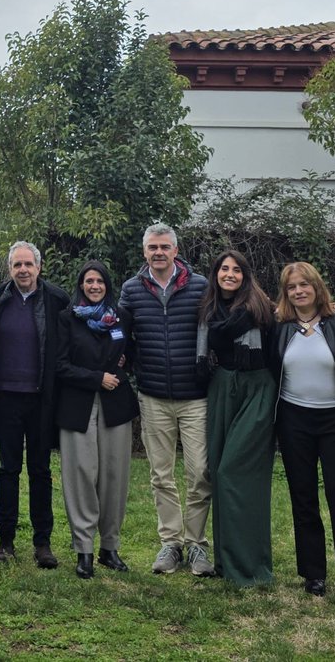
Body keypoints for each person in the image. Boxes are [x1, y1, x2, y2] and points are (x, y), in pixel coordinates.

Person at [270, 262, 335, 604]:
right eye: (291, 287)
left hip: (334, 422)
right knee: (303, 497)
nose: (299, 291)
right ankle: (313, 574)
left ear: (316, 287)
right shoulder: (279, 326)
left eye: (304, 285)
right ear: (285, 293)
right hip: (293, 419)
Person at [118, 223, 214, 577]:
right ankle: (171, 542)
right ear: (144, 252)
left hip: (195, 396)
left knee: (200, 473)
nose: (158, 253)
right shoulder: (131, 289)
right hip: (153, 394)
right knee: (161, 474)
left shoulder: (201, 285)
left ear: (175, 250)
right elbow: (120, 336)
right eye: (152, 247)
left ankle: (198, 545)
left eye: (164, 247)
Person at [55, 260, 138, 579]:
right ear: (80, 285)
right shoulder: (68, 319)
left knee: (114, 478)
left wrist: (123, 362)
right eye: (88, 281)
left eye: (99, 281)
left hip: (115, 405)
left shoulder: (122, 318)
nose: (94, 286)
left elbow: (132, 354)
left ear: (107, 285)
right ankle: (84, 550)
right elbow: (59, 365)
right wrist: (96, 377)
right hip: (78, 406)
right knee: (81, 476)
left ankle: (109, 548)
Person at [0, 241, 70, 568]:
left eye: (28, 264)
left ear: (39, 267)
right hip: (6, 397)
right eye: (17, 265)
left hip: (41, 399)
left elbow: (71, 343)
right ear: (10, 269)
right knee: (8, 469)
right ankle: (5, 540)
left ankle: (42, 543)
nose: (23, 270)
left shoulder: (56, 299)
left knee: (40, 471)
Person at [200, 249, 277, 586]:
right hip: (221, 386)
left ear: (246, 275)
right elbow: (213, 341)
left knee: (236, 472)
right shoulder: (209, 310)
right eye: (223, 269)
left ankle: (250, 568)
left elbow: (298, 319)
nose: (229, 274)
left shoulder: (263, 308)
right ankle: (226, 563)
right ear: (216, 274)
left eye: (236, 270)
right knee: (218, 472)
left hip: (256, 387)